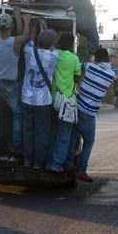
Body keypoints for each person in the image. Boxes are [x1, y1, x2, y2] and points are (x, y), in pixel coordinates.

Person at [0, 8, 30, 161]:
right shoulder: (16, 42)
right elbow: (26, 36)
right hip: (10, 84)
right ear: (10, 27)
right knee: (17, 114)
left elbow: (1, 33)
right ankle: (16, 144)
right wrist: (24, 20)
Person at [72, 48, 115, 182]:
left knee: (72, 137)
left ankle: (69, 164)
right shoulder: (111, 74)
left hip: (76, 107)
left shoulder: (89, 67)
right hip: (89, 112)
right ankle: (82, 170)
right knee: (89, 141)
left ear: (95, 59)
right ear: (107, 59)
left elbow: (76, 67)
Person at [21, 23, 58, 169]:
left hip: (26, 99)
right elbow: (53, 47)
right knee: (41, 133)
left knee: (27, 131)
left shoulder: (29, 52)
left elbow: (30, 39)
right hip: (43, 102)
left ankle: (27, 160)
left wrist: (38, 28)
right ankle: (38, 163)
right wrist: (45, 28)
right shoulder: (54, 56)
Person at [47, 33, 82, 172]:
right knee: (63, 136)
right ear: (71, 45)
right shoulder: (74, 58)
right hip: (66, 103)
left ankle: (48, 163)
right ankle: (56, 165)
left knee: (52, 134)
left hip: (52, 100)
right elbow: (77, 77)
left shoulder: (53, 54)